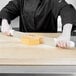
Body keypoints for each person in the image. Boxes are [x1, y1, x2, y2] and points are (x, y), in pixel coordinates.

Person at [0, 0, 76, 48]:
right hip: (24, 43)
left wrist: (66, 33)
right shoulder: (21, 1)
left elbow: (67, 10)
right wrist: (5, 22)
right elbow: (7, 10)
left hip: (48, 44)